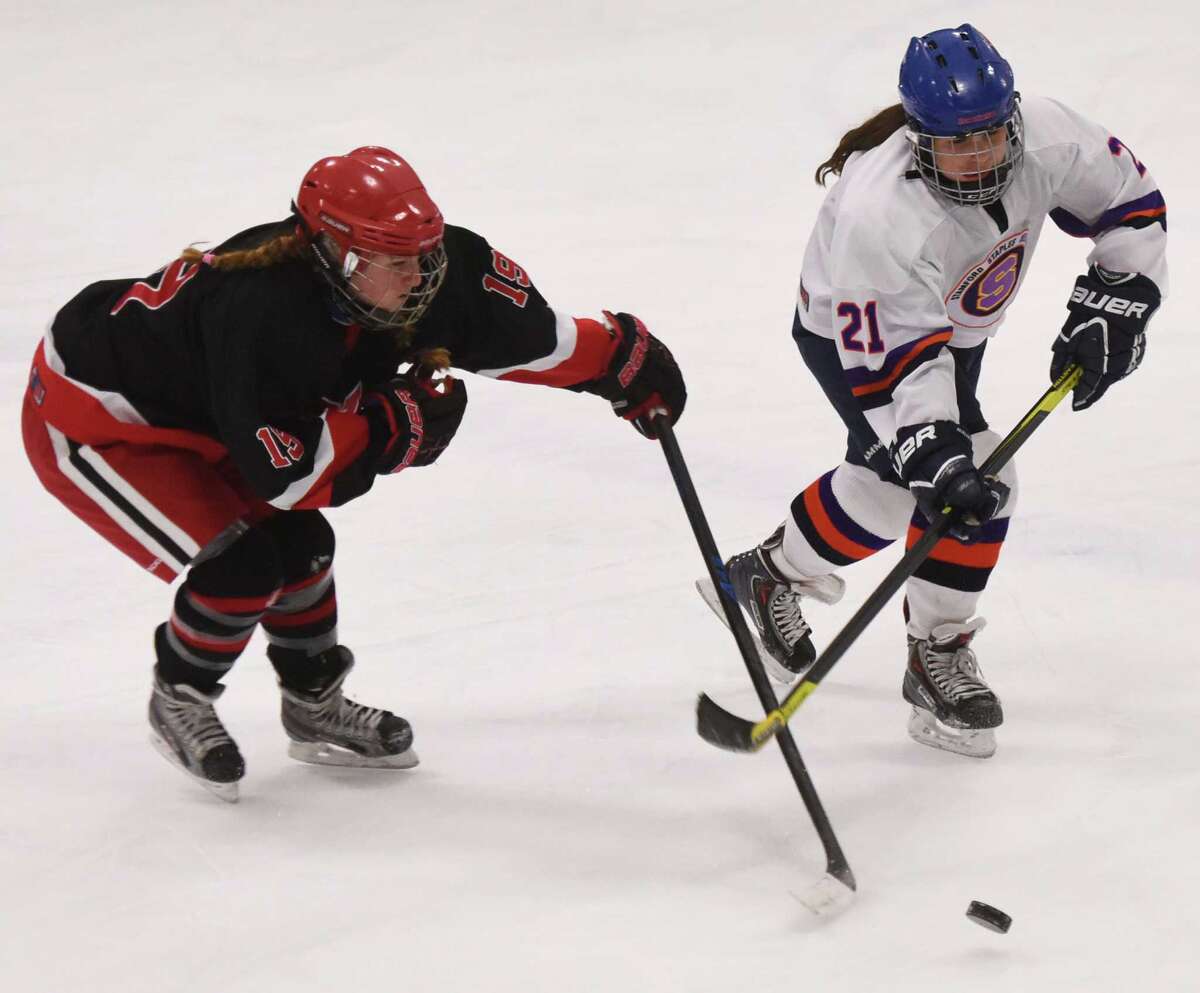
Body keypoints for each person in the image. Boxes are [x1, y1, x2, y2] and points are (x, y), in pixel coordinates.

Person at [22, 146, 686, 800]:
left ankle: (314, 705)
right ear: (332, 253)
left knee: (304, 547)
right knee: (242, 567)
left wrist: (617, 358)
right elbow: (288, 476)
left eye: (422, 255)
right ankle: (180, 696)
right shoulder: (263, 313)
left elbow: (521, 334)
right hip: (99, 419)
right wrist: (394, 426)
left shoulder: (415, 268)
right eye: (392, 261)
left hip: (215, 414)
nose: (416, 277)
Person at [718, 24, 1166, 757]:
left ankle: (768, 576)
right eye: (958, 144)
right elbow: (900, 364)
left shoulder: (1049, 136)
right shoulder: (880, 215)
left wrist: (1117, 298)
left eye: (990, 135)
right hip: (859, 340)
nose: (980, 155)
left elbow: (1130, 201)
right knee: (951, 481)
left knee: (916, 483)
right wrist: (934, 452)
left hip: (952, 330)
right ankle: (932, 651)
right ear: (919, 137)